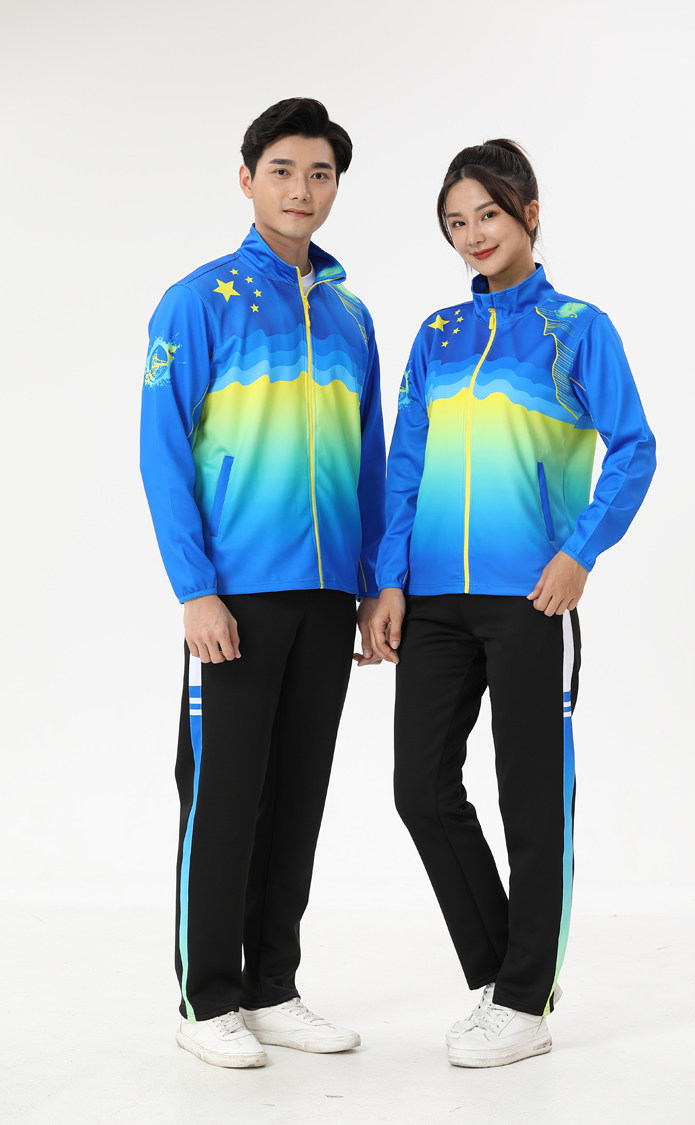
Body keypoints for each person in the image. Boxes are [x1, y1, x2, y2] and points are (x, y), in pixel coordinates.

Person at [371, 140, 656, 1069]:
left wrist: (580, 552)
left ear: (529, 213)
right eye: (456, 222)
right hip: (434, 601)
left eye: (488, 214)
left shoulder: (578, 328)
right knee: (421, 788)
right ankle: (508, 975)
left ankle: (523, 1002)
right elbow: (405, 463)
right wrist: (389, 577)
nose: (473, 234)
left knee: (531, 798)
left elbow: (635, 447)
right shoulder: (438, 335)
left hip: (531, 597)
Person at [140, 98, 385, 1069]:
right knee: (223, 794)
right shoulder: (197, 301)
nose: (302, 190)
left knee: (297, 794)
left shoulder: (352, 317)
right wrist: (194, 587)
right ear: (247, 179)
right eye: (283, 170)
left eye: (320, 173)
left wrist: (375, 583)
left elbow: (371, 459)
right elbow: (164, 452)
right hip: (235, 594)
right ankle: (207, 998)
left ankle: (272, 987)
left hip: (329, 598)